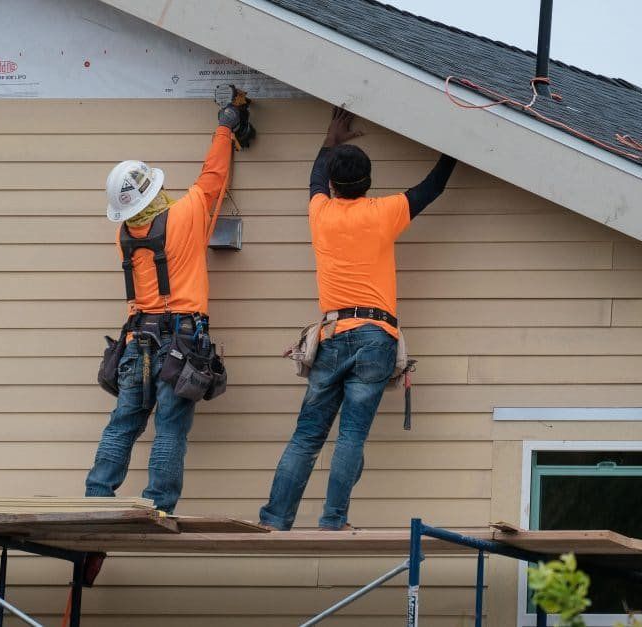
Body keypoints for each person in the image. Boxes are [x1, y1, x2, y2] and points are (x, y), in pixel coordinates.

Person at [259, 107, 456, 531]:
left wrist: (330, 138)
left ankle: (275, 518)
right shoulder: (385, 212)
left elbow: (314, 177)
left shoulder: (320, 213)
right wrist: (453, 148)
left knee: (307, 435)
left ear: (333, 185)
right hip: (375, 338)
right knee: (350, 436)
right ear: (368, 184)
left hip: (331, 335)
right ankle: (333, 519)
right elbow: (433, 186)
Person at [84, 102, 246, 511]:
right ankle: (158, 505)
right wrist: (226, 126)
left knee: (124, 423)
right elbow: (212, 178)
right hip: (181, 340)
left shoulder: (124, 235)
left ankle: (97, 498)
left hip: (138, 340)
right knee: (171, 428)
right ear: (154, 191)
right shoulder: (185, 215)